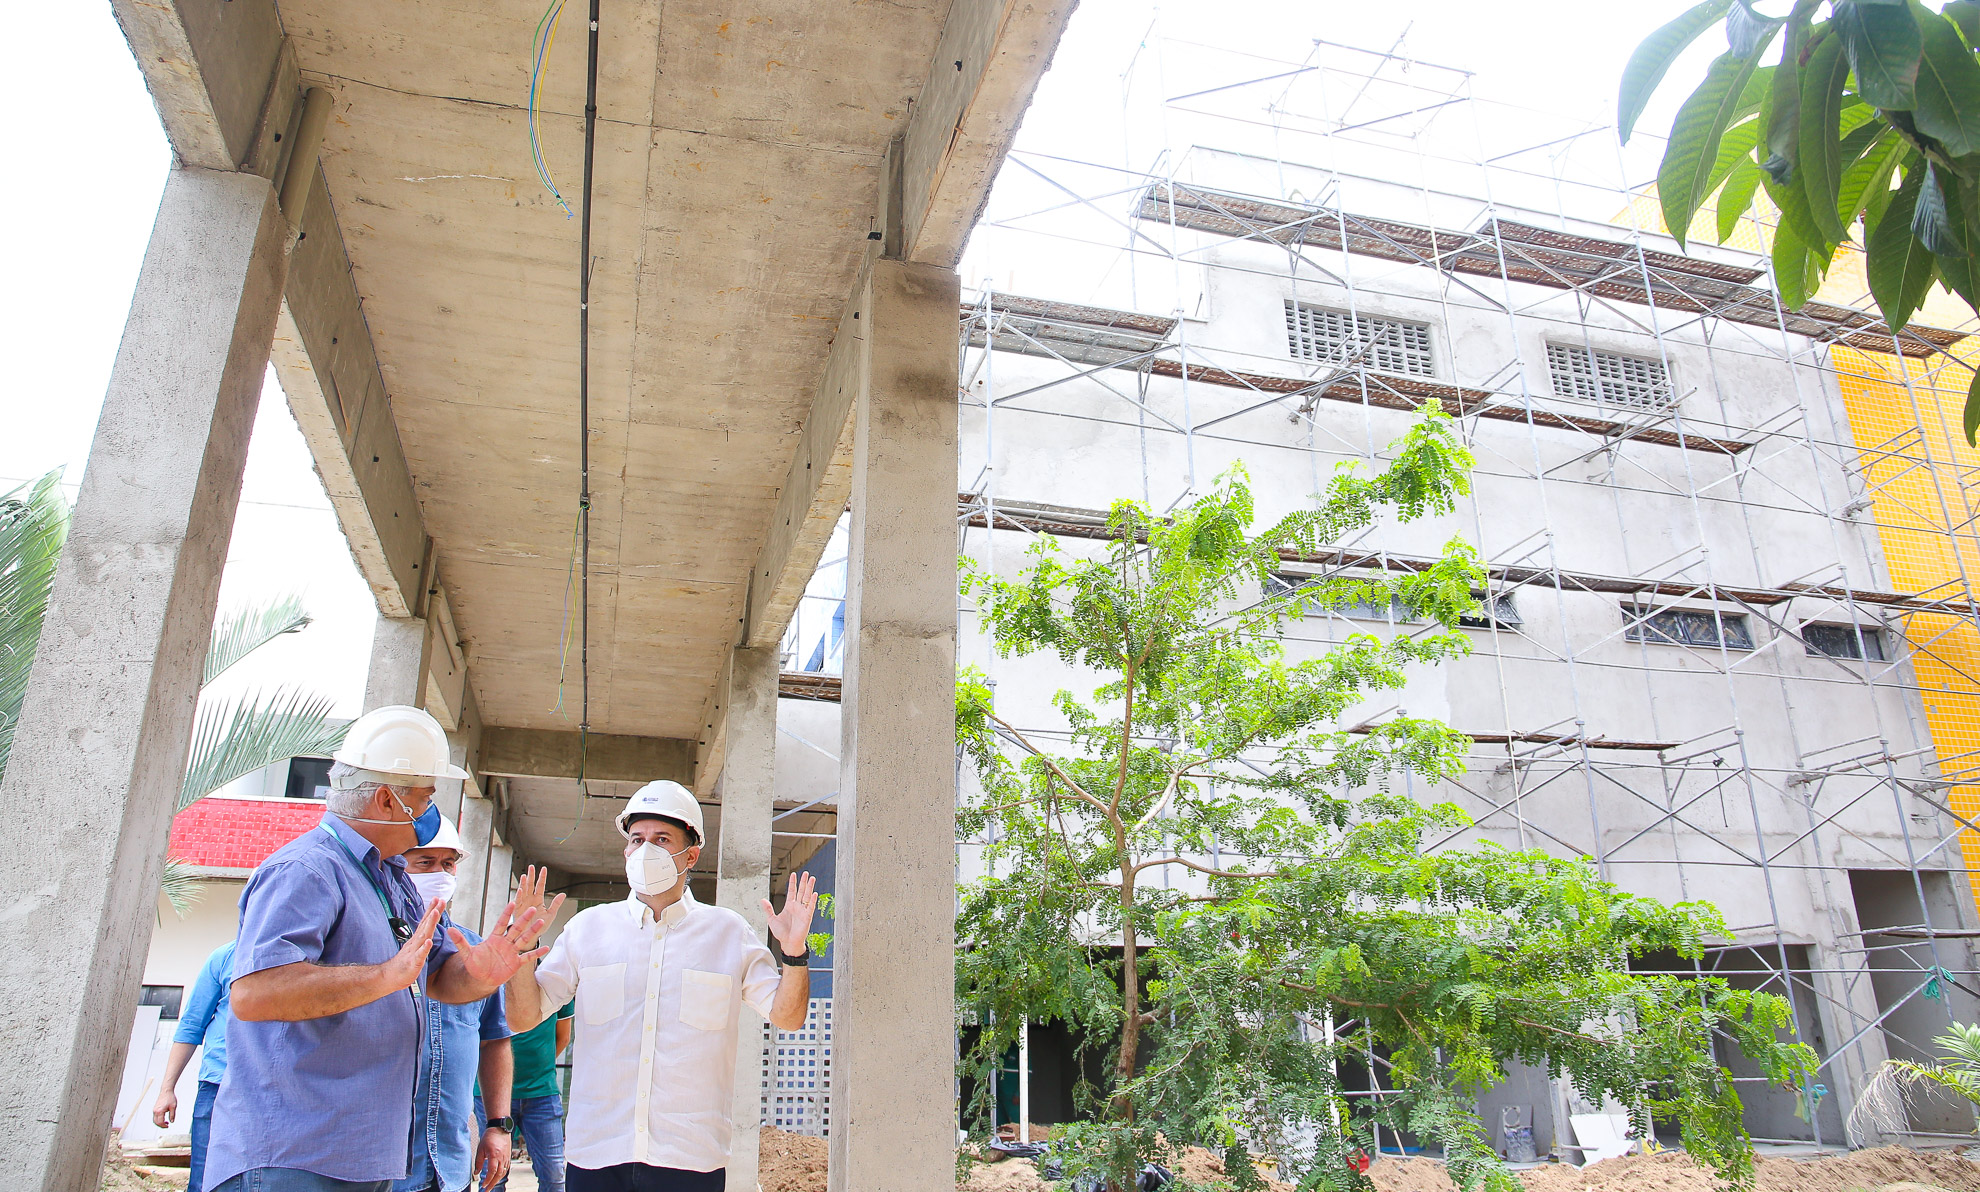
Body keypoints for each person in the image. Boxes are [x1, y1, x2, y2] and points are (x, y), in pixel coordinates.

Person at [203, 705, 559, 1192]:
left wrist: (482, 972)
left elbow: (434, 977)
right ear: (388, 801)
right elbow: (254, 993)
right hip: (297, 1155)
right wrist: (386, 976)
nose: (433, 810)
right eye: (426, 796)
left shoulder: (389, 878)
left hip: (365, 1155)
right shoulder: (306, 871)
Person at [503, 780, 817, 1192]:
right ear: (625, 851)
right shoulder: (587, 930)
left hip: (690, 1159)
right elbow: (523, 1016)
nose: (645, 849)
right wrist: (519, 951)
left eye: (661, 838)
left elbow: (788, 1017)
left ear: (692, 854)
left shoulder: (728, 933)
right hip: (597, 1154)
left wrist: (794, 954)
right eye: (637, 839)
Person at [397, 813, 515, 1192]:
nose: (440, 873)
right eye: (425, 863)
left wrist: (498, 1125)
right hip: (384, 1165)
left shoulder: (474, 952)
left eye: (448, 864)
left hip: (450, 1161)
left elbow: (495, 1039)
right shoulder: (373, 945)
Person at [152, 939, 236, 1192]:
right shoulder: (224, 957)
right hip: (217, 1085)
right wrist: (167, 1089)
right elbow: (191, 1025)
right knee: (204, 1181)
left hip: (275, 1090)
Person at [474, 999, 574, 1192]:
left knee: (554, 1176)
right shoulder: (489, 973)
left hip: (542, 1091)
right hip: (489, 1094)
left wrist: (537, 1070)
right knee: (493, 1177)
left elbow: (563, 1036)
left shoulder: (553, 971)